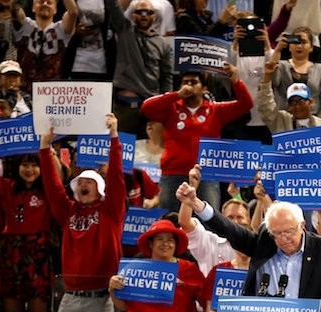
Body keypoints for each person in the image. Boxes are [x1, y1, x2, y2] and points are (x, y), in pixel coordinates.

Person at [176, 185, 321, 312]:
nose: (282, 239)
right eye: (276, 233)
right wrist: (196, 204)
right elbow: (229, 229)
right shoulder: (265, 242)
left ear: (302, 225)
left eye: (288, 232)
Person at [40, 113, 126, 312]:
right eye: (81, 183)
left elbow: (117, 178)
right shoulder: (68, 211)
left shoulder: (111, 210)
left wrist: (114, 137)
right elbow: (52, 187)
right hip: (70, 297)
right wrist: (44, 147)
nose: (84, 185)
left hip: (100, 299)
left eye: (90, 182)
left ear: (100, 189)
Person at [141, 64, 253, 212]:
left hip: (206, 176)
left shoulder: (215, 110)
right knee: (169, 221)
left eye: (193, 82)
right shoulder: (171, 109)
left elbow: (246, 104)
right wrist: (177, 95)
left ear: (204, 88)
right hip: (173, 174)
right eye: (185, 82)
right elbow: (146, 108)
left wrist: (236, 81)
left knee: (209, 223)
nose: (188, 86)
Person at [0, 153, 54, 312]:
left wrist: (49, 150)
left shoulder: (47, 188)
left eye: (34, 165)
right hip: (12, 252)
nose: (29, 169)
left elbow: (58, 176)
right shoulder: (7, 186)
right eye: (25, 165)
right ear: (17, 167)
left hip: (38, 253)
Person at [109, 219, 205, 312]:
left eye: (170, 240)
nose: (165, 244)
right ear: (150, 244)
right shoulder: (134, 269)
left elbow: (207, 301)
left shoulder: (189, 270)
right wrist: (112, 289)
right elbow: (123, 307)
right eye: (159, 239)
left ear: (176, 244)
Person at [108, 0, 173, 136]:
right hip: (124, 108)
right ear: (132, 15)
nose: (144, 15)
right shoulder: (124, 30)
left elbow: (167, 76)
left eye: (149, 12)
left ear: (155, 16)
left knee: (147, 154)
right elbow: (113, 6)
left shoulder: (163, 44)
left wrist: (164, 105)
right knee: (120, 152)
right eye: (139, 12)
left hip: (150, 109)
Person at [178, 165, 251, 276]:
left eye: (240, 217)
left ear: (249, 221)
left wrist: (237, 197)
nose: (235, 222)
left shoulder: (256, 245)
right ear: (221, 220)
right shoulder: (209, 242)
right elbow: (185, 223)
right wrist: (192, 187)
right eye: (230, 218)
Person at [269, 26, 321, 119]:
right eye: (295, 42)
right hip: (285, 121)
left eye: (303, 42)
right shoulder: (281, 66)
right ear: (289, 47)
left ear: (311, 47)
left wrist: (319, 124)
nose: (299, 46)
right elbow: (272, 82)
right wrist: (277, 50)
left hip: (315, 121)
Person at [12, 0, 79, 90]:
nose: (45, 4)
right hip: (24, 90)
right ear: (33, 7)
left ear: (55, 9)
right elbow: (14, 6)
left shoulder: (61, 29)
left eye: (49, 2)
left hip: (51, 91)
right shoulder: (25, 25)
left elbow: (73, 12)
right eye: (41, 1)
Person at [257, 65, 321, 132]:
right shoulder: (280, 120)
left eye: (301, 101)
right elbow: (266, 106)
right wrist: (267, 79)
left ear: (311, 102)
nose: (297, 106)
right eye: (292, 103)